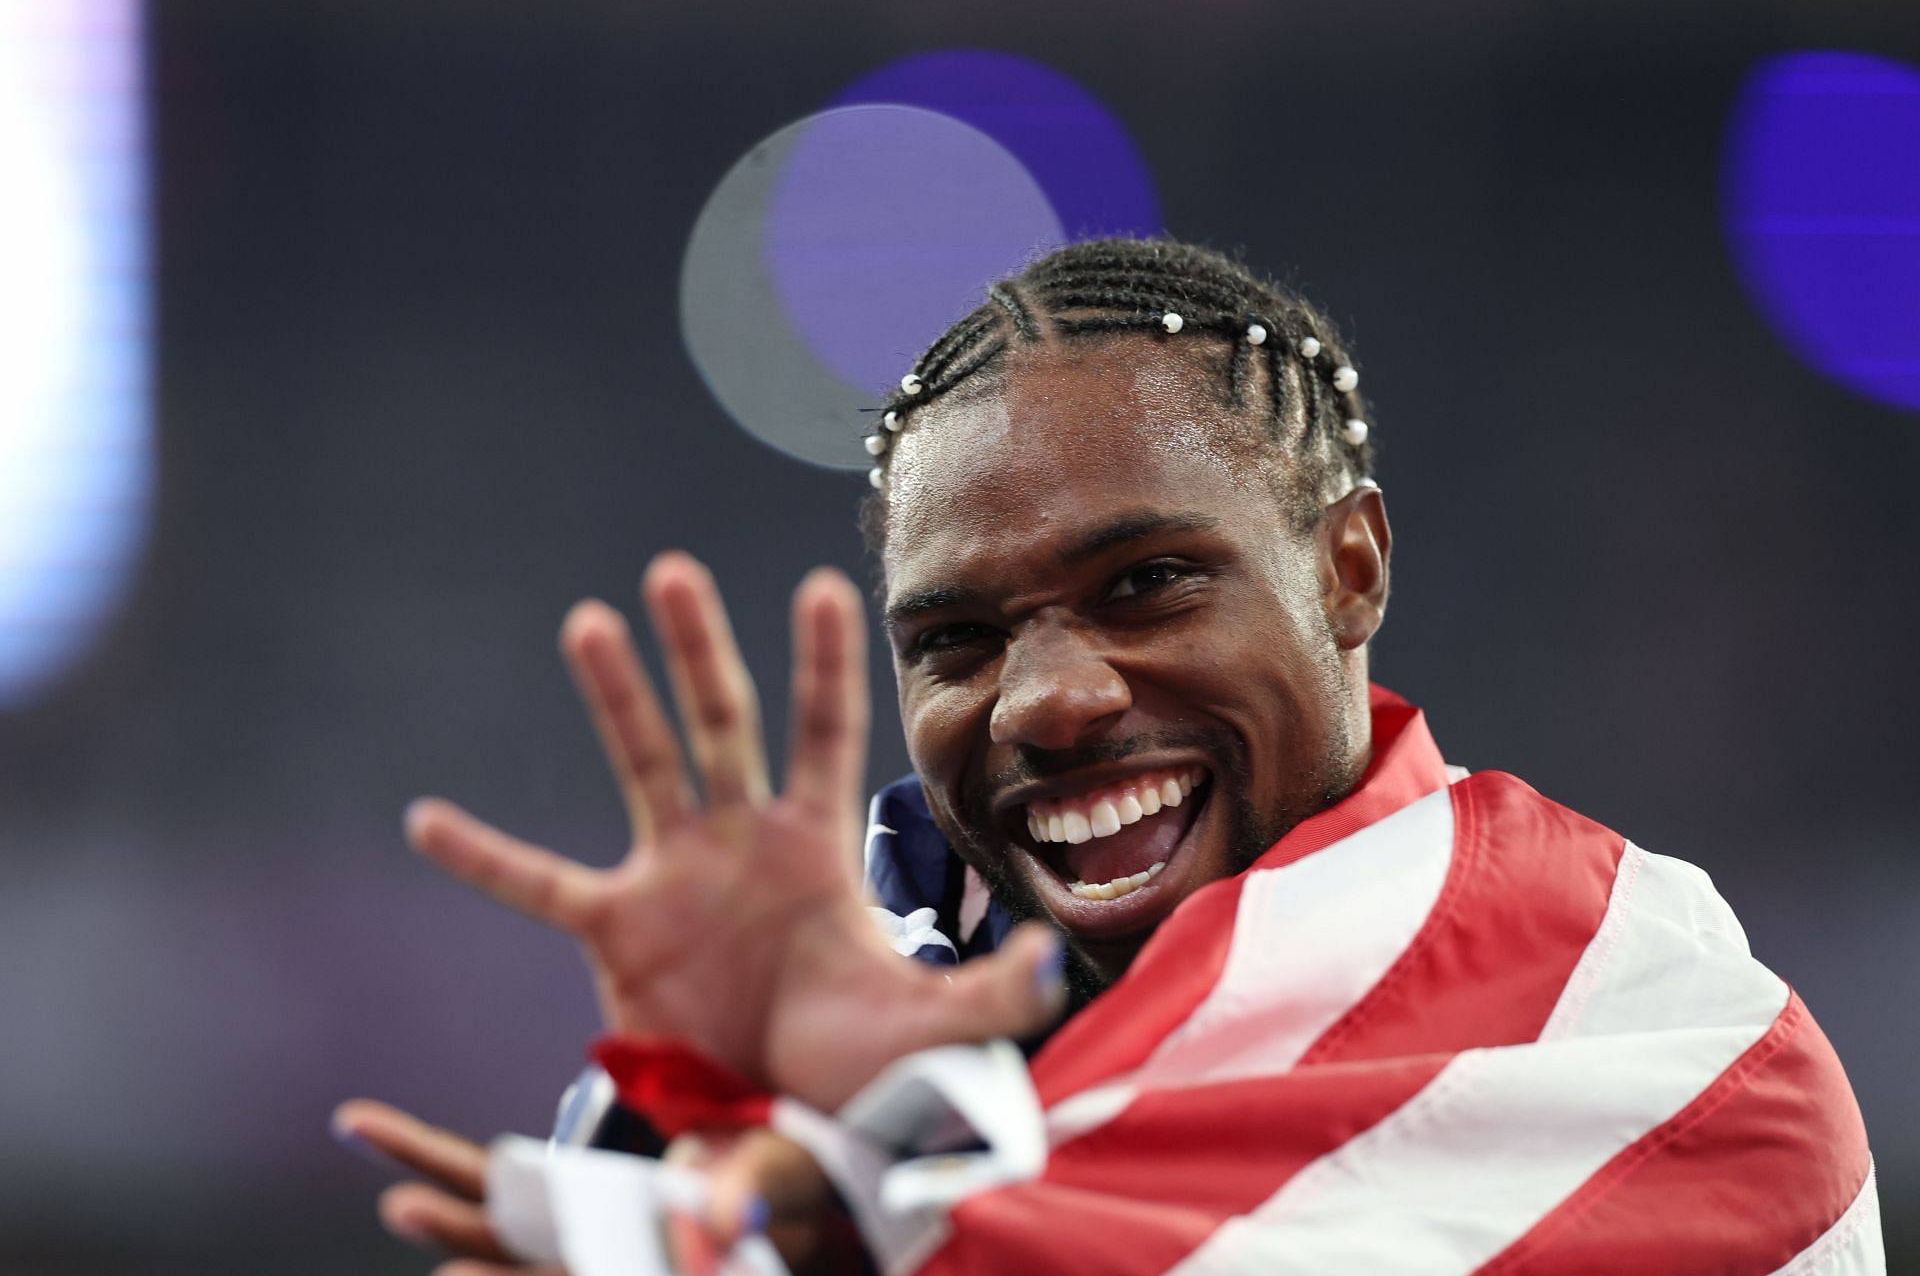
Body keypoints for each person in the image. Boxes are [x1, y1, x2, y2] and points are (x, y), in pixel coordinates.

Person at [335, 239, 1881, 1274]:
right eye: (957, 641)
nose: (1047, 703)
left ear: (1350, 569)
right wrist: (694, 1113)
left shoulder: (1630, 1027)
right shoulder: (838, 1031)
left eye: (1147, 583)